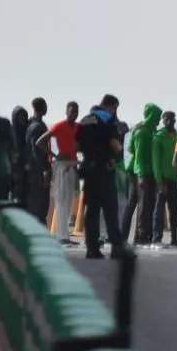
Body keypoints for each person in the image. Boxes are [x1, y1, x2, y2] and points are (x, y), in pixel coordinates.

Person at [74, 94, 124, 259]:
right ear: (113, 106)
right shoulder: (108, 120)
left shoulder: (84, 120)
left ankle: (92, 248)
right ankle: (116, 247)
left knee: (91, 211)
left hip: (88, 170)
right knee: (110, 209)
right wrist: (117, 152)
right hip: (104, 170)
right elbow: (115, 145)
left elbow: (76, 145)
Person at [36, 102, 81, 243]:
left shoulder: (78, 127)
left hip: (73, 166)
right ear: (66, 111)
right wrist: (55, 155)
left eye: (76, 112)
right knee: (61, 201)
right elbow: (40, 141)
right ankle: (61, 236)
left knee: (68, 202)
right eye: (72, 111)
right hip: (62, 166)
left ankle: (65, 235)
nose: (74, 114)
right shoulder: (59, 126)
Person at [121, 103, 162, 247]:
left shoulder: (150, 128)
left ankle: (128, 236)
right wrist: (142, 175)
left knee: (135, 203)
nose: (159, 120)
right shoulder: (142, 131)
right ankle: (140, 238)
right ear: (151, 115)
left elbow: (130, 148)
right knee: (142, 204)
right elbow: (137, 154)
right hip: (140, 171)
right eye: (157, 117)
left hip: (143, 170)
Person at [151, 109, 177, 247]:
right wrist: (158, 181)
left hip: (175, 178)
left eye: (172, 119)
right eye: (167, 120)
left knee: (174, 210)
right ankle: (156, 238)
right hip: (163, 178)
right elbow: (156, 161)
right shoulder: (158, 137)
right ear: (163, 121)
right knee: (159, 209)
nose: (170, 122)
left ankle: (174, 238)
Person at [24, 98, 53, 228]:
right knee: (40, 205)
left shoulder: (31, 124)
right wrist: (46, 170)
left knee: (35, 205)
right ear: (43, 108)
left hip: (31, 170)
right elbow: (37, 151)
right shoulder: (38, 127)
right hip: (38, 172)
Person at [9, 105, 30, 210]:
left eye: (24, 116)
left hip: (26, 170)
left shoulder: (28, 131)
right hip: (13, 170)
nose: (22, 119)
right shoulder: (10, 131)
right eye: (19, 116)